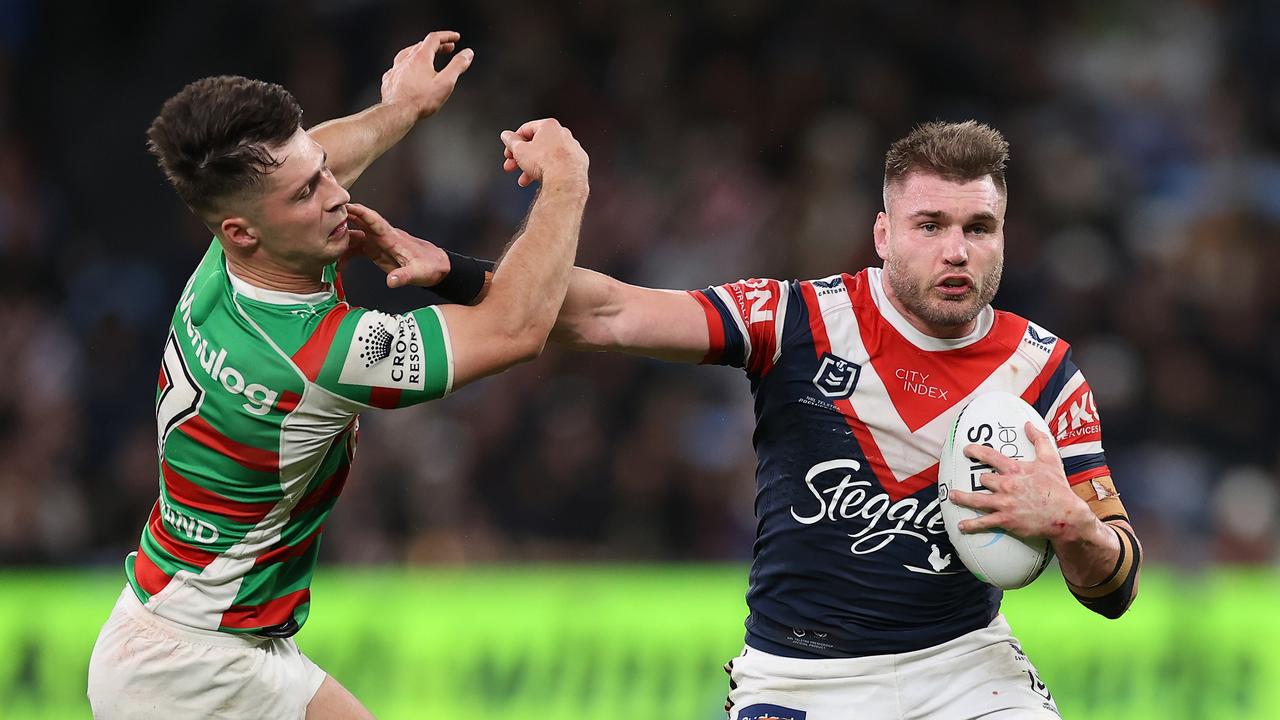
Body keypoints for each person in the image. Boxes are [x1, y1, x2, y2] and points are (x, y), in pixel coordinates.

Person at [367, 120, 1141, 719]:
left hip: (967, 672)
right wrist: (460, 273)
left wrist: (1073, 524)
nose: (956, 250)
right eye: (930, 224)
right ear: (883, 235)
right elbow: (608, 313)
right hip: (801, 680)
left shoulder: (1043, 370)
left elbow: (1115, 587)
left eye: (978, 228)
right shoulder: (796, 318)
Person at [86, 31, 591, 719]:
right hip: (193, 670)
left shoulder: (227, 260)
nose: (333, 196)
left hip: (188, 632)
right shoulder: (310, 355)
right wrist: (566, 182)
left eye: (323, 171)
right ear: (241, 232)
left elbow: (311, 159)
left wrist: (400, 110)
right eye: (305, 194)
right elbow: (515, 327)